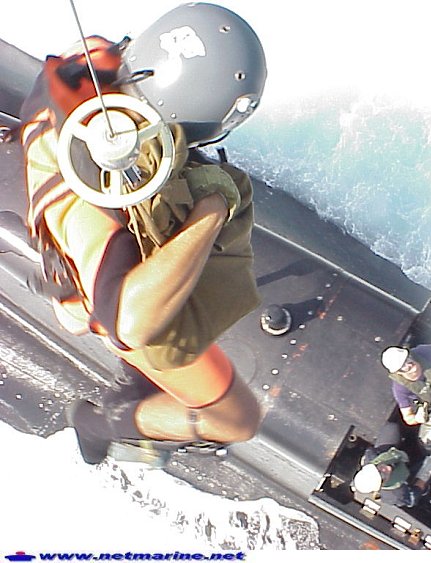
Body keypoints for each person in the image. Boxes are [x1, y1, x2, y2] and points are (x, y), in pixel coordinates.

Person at [20, 4, 267, 463]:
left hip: (41, 164)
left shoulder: (91, 59)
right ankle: (101, 422)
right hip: (94, 290)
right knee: (239, 420)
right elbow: (127, 323)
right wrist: (212, 207)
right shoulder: (95, 213)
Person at [351, 422, 431, 508]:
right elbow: (412, 498)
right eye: (382, 475)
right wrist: (424, 476)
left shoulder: (371, 456)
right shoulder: (396, 495)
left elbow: (372, 451)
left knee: (391, 427)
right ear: (382, 483)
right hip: (407, 474)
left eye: (377, 469)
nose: (383, 469)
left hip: (396, 455)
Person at [380, 344, 431, 426]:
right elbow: (408, 418)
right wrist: (417, 419)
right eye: (403, 366)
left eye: (407, 359)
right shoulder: (400, 388)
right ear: (398, 372)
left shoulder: (421, 352)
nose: (409, 365)